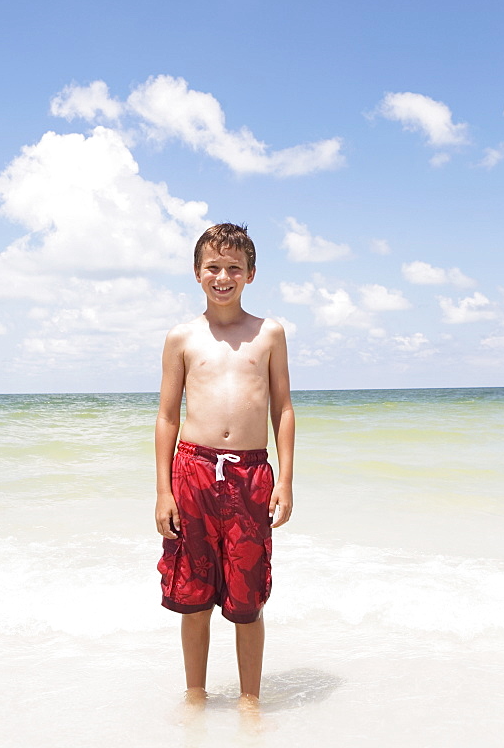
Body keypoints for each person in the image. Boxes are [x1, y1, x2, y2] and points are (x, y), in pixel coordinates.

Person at [155, 222, 295, 712]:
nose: (223, 276)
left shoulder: (269, 334)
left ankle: (249, 702)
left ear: (251, 274)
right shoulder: (182, 337)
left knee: (246, 599)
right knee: (192, 595)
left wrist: (286, 482)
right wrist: (163, 492)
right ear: (197, 273)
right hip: (192, 472)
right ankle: (195, 696)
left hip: (253, 476)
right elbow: (167, 416)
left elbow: (283, 410)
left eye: (234, 268)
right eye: (213, 267)